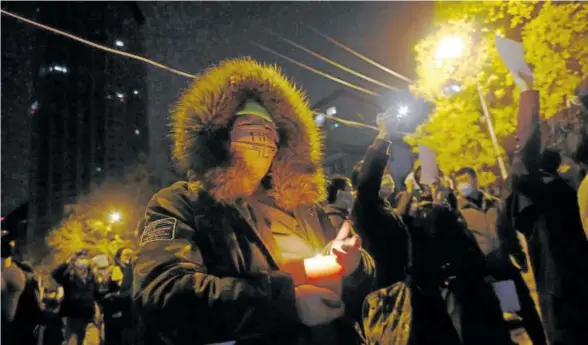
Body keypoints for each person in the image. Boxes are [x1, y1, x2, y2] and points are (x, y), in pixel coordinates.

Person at [132, 58, 375, 345]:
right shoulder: (182, 204)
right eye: (249, 126)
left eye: (270, 131)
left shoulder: (305, 206)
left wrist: (355, 265)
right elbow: (164, 295)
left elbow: (362, 287)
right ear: (220, 136)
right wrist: (285, 304)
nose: (262, 139)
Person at [510, 72, 588, 345]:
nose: (559, 135)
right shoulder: (534, 189)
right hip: (567, 302)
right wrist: (528, 93)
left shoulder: (571, 180)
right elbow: (524, 156)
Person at [454, 167, 546, 345]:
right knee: (498, 319)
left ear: (476, 181)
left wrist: (519, 257)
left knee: (526, 310)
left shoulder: (495, 204)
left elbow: (508, 233)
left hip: (504, 266)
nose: (463, 185)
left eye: (466, 180)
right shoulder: (459, 213)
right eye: (459, 182)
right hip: (482, 273)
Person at [349, 115, 410, 289]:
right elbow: (369, 176)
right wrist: (384, 133)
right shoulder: (365, 205)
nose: (387, 177)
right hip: (385, 288)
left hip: (400, 283)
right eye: (381, 174)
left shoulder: (384, 207)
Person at [1, 230, 44, 345]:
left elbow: (36, 307)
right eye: (3, 241)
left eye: (9, 240)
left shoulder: (25, 273)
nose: (8, 244)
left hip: (16, 334)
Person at [52, 250, 99, 345]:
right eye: (81, 258)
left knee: (83, 340)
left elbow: (96, 294)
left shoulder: (91, 275)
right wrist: (67, 262)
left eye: (85, 257)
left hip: (87, 314)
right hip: (72, 314)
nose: (84, 260)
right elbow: (55, 274)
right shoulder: (69, 275)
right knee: (71, 340)